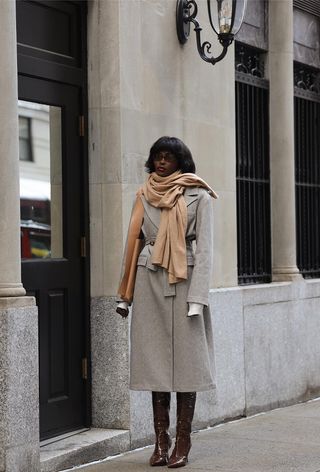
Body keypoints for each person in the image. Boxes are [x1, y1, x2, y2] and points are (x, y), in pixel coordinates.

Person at [116, 136, 217, 468]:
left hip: (185, 281)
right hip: (149, 282)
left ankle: (183, 440)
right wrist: (124, 296)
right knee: (154, 364)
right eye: (157, 157)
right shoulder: (144, 194)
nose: (161, 162)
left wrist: (198, 298)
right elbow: (133, 243)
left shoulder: (199, 196)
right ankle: (161, 441)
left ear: (181, 161)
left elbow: (205, 251)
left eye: (168, 157)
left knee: (187, 365)